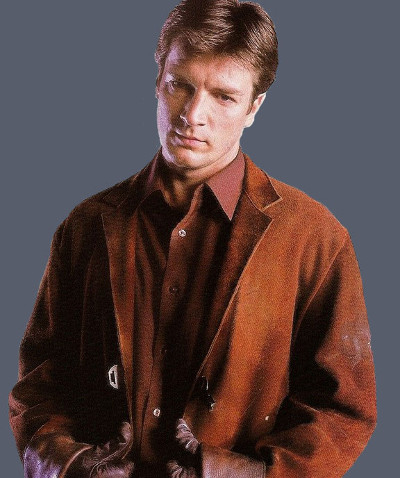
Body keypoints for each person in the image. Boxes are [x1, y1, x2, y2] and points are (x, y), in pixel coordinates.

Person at [9, 0, 376, 477]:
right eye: (180, 85)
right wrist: (70, 465)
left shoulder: (315, 239)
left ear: (255, 106)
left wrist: (240, 474)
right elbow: (39, 386)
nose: (192, 114)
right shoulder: (85, 227)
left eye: (223, 96)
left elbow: (343, 411)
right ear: (157, 81)